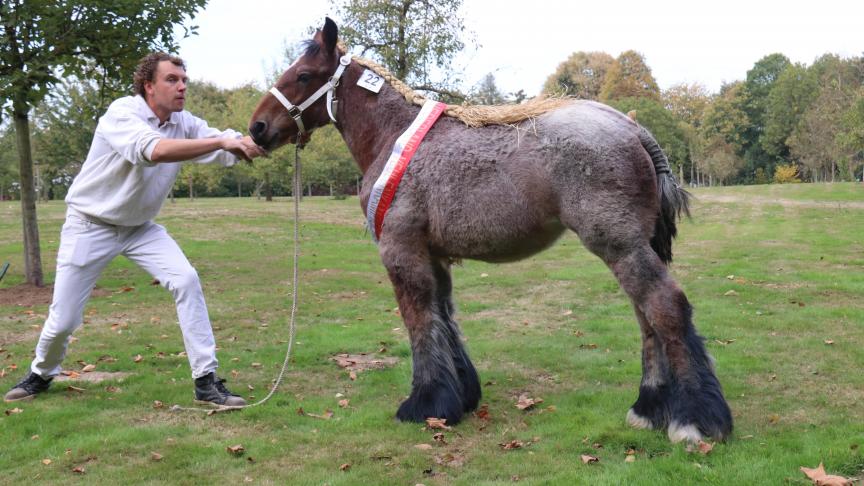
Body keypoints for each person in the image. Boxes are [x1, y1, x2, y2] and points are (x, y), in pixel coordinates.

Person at [4, 52, 265, 406]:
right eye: (172, 79)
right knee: (65, 318)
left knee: (186, 280)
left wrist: (270, 138)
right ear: (148, 86)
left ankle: (206, 382)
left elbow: (227, 145)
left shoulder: (183, 122)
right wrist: (222, 142)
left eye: (184, 80)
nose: (182, 86)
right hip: (89, 225)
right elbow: (152, 151)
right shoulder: (122, 113)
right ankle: (42, 373)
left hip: (140, 229)